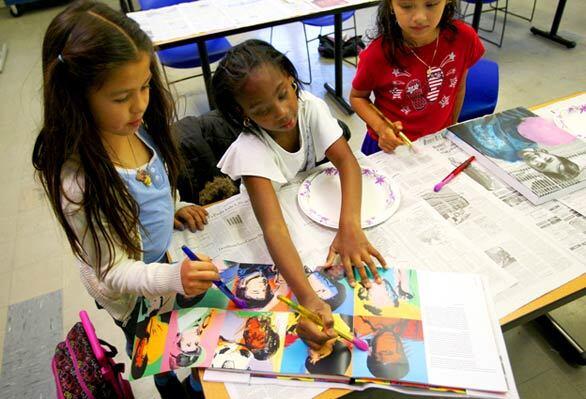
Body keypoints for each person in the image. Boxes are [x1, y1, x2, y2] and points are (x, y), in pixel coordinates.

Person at [31, 2, 219, 397]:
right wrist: (173, 278)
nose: (140, 105)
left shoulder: (134, 125)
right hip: (125, 290)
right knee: (154, 349)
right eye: (121, 97)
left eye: (146, 85)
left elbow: (155, 181)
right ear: (76, 98)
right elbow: (114, 270)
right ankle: (170, 385)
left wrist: (175, 205)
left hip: (156, 263)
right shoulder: (80, 184)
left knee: (180, 332)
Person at [212, 39, 387, 350]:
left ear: (291, 78)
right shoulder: (250, 149)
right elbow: (274, 228)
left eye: (283, 93)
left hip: (300, 203)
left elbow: (347, 162)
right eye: (262, 110)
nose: (282, 113)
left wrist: (350, 227)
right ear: (244, 114)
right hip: (269, 221)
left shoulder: (310, 107)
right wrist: (307, 296)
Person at [350, 0, 485, 154]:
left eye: (431, 4)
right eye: (406, 6)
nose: (419, 17)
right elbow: (357, 97)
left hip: (438, 142)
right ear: (390, 5)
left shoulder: (463, 38)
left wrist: (450, 130)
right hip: (391, 146)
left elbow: (458, 87)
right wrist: (381, 128)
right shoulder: (377, 54)